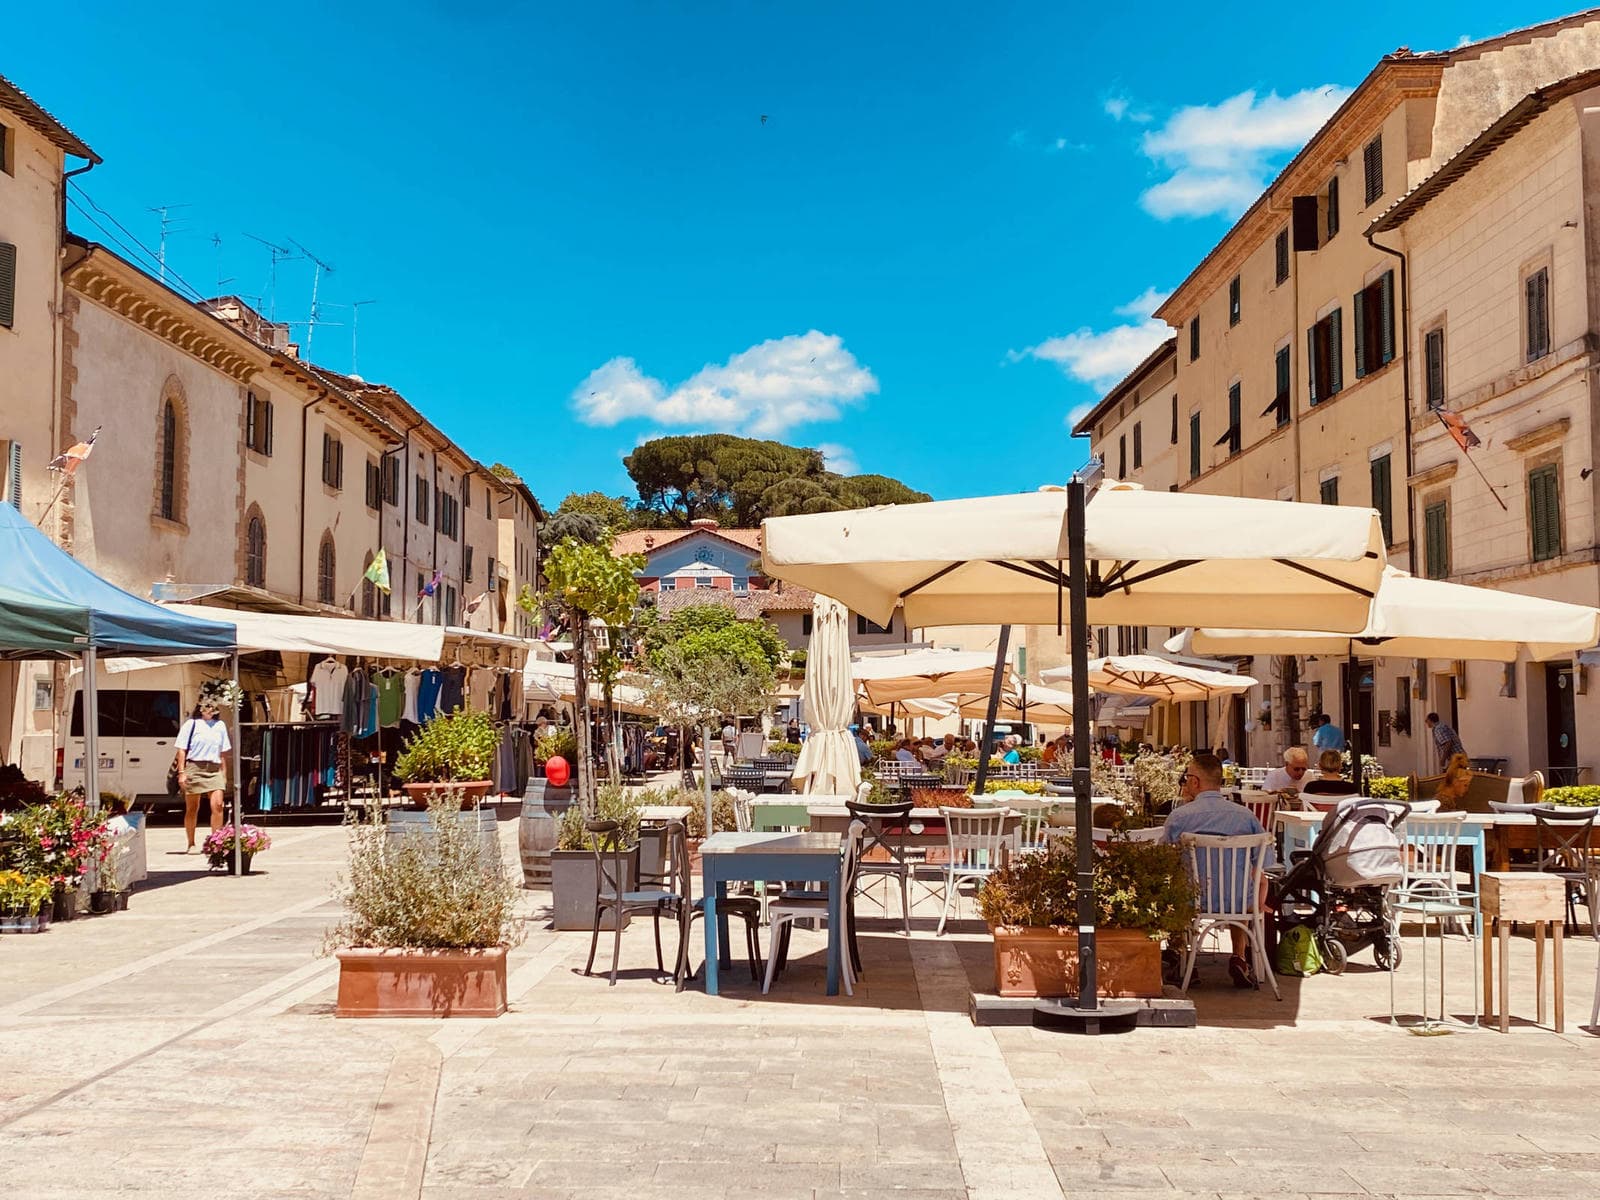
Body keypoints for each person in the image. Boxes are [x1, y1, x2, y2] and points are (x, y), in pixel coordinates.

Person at [1161, 753, 1272, 987]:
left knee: (1173, 887)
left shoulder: (1180, 816)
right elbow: (1264, 863)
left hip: (1194, 900)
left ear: (1195, 782)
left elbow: (1163, 858)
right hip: (1241, 902)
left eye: (1187, 777)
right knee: (1239, 886)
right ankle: (1239, 957)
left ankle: (1183, 958)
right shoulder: (1245, 816)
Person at [176, 698, 232, 853]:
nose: (209, 710)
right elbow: (181, 750)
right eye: (206, 707)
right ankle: (191, 842)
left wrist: (224, 774)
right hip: (194, 767)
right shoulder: (191, 724)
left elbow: (223, 752)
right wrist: (182, 773)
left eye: (212, 707)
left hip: (214, 769)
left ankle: (216, 842)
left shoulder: (220, 726)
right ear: (200, 708)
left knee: (218, 805)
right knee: (192, 807)